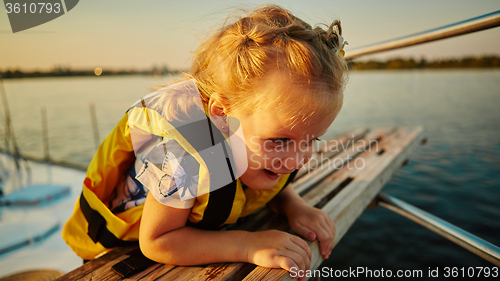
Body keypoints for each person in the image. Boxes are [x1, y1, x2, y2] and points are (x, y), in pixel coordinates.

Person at [62, 4, 348, 276]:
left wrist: (292, 205)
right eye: (280, 140)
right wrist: (248, 245)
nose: (297, 159)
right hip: (112, 253)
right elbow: (157, 241)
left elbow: (263, 184)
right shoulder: (184, 162)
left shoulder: (270, 149)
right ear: (222, 117)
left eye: (313, 140)